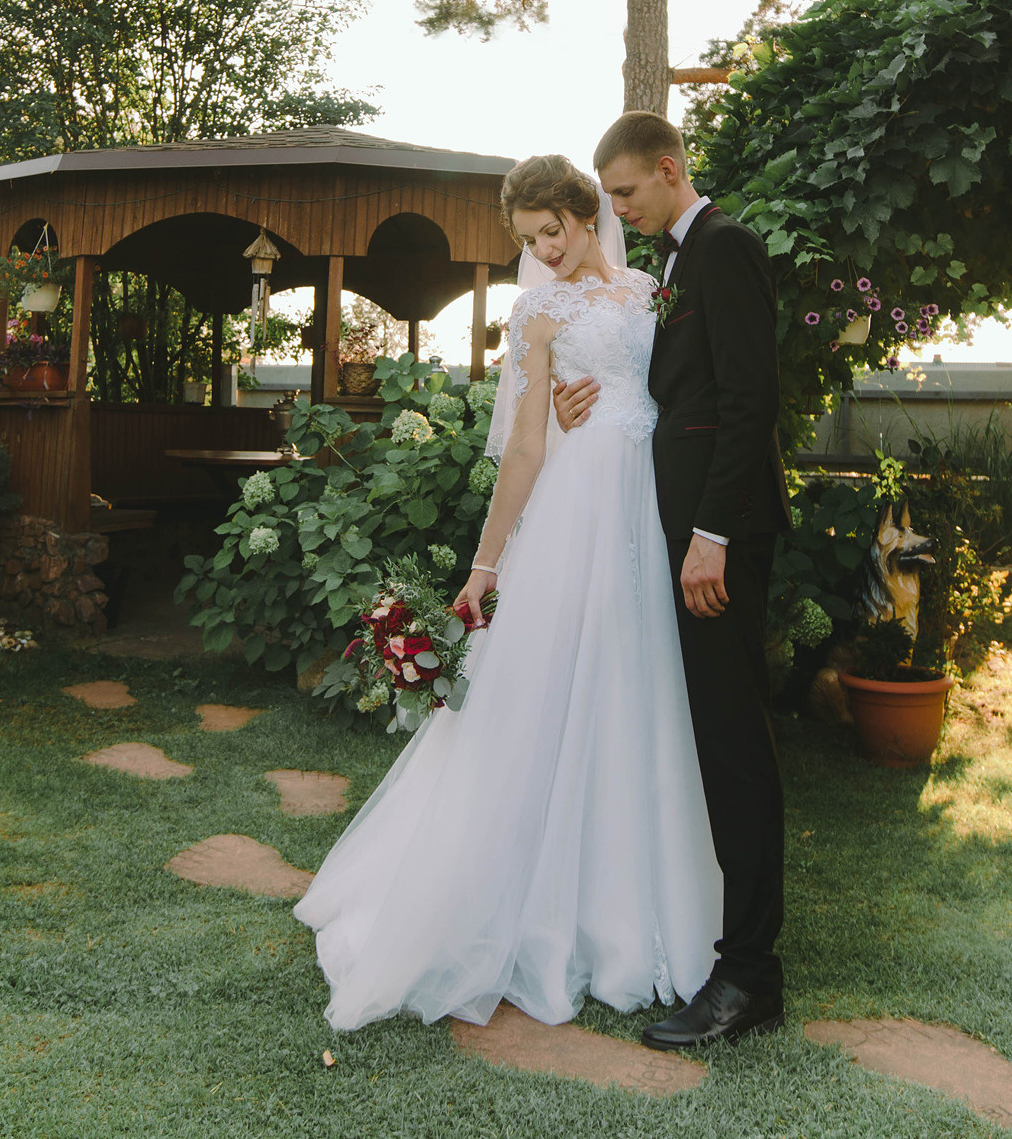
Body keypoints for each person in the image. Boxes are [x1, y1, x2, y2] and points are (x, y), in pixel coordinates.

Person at [294, 153, 722, 1031]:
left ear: (583, 210)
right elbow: (525, 446)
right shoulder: (537, 312)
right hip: (578, 514)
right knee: (547, 692)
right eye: (528, 241)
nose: (544, 252)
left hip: (652, 504)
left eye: (550, 232)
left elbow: (678, 391)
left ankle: (634, 899)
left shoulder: (651, 289)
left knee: (637, 688)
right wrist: (485, 566)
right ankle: (531, 905)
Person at [554, 111, 791, 1050]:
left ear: (666, 170)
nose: (616, 209)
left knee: (735, 745)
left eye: (623, 193)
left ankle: (749, 978)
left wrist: (713, 536)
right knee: (713, 739)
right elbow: (671, 391)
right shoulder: (676, 265)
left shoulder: (724, 249)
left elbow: (749, 401)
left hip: (715, 541)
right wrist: (587, 394)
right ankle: (726, 946)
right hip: (684, 531)